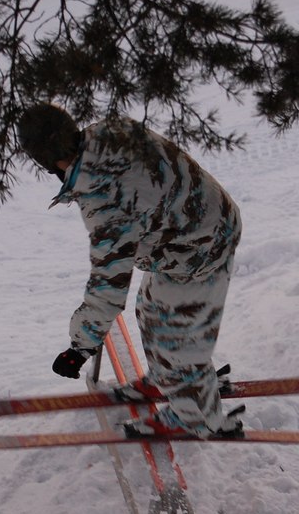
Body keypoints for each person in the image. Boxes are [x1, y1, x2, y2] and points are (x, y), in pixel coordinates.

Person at [17, 103, 243, 439]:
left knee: (175, 340)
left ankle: (195, 417)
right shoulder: (108, 133)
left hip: (198, 248)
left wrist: (81, 346)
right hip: (188, 232)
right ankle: (167, 379)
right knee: (151, 311)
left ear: (45, 161)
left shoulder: (105, 200)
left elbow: (108, 286)